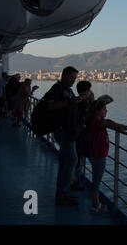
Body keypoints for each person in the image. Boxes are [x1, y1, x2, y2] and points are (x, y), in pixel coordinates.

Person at [86, 95, 127, 213]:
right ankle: (95, 205)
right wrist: (121, 126)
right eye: (104, 108)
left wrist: (117, 125)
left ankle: (96, 204)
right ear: (98, 111)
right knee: (96, 181)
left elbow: (107, 122)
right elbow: (107, 123)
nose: (106, 110)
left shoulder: (96, 120)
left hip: (96, 154)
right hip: (98, 155)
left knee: (96, 179)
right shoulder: (96, 122)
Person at [44, 66, 82, 206]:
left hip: (69, 131)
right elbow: (51, 106)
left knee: (66, 162)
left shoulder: (68, 91)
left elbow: (70, 106)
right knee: (71, 160)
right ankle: (62, 194)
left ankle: (63, 193)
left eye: (75, 78)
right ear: (64, 75)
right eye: (71, 77)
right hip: (63, 131)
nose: (73, 80)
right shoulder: (57, 89)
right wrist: (69, 102)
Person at [71, 80, 94, 191]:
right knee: (77, 160)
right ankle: (73, 182)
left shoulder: (76, 101)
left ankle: (73, 180)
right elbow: (90, 119)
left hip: (74, 134)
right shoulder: (84, 104)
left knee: (75, 159)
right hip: (79, 136)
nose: (91, 92)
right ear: (86, 92)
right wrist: (93, 102)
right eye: (90, 90)